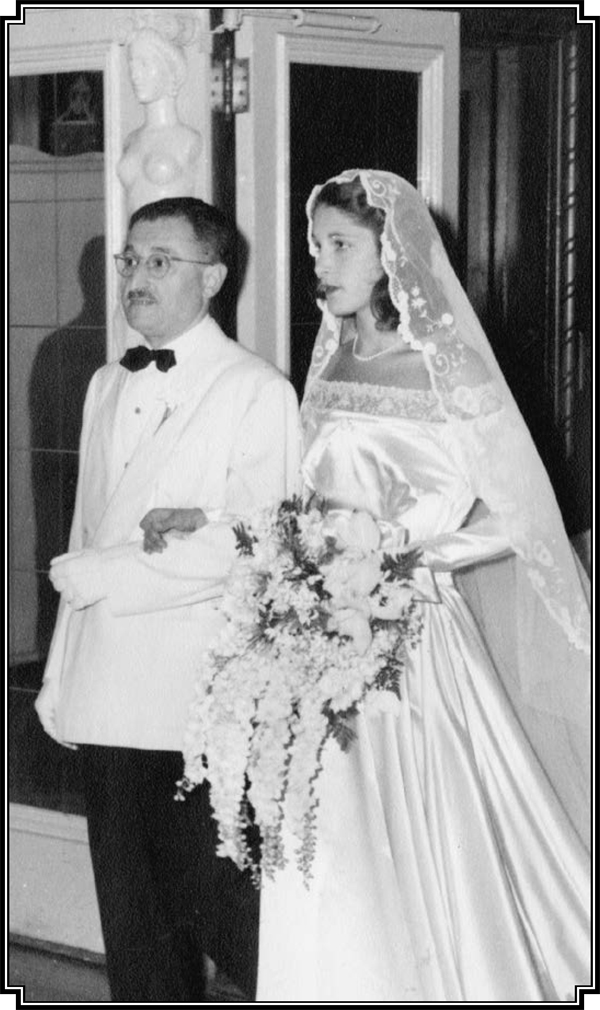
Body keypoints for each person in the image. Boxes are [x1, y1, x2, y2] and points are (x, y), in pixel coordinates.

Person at [254, 170, 591, 1001]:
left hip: (417, 646)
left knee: (430, 834)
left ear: (391, 257)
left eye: (340, 246)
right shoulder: (329, 370)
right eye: (315, 247)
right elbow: (313, 503)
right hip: (322, 638)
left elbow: (518, 515)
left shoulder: (445, 374)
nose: (320, 264)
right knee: (327, 841)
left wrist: (408, 559)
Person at [34, 195, 301, 1003]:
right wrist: (59, 673)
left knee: (225, 911)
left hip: (194, 698)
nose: (137, 278)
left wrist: (110, 576)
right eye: (130, 260)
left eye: (161, 262)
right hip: (108, 693)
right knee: (133, 924)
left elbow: (252, 542)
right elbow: (87, 531)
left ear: (213, 276)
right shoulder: (107, 384)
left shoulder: (257, 391)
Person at [117, 28, 204, 215]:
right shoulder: (131, 140)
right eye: (132, 66)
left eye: (144, 64)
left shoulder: (190, 140)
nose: (135, 75)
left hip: (174, 240)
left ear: (170, 69)